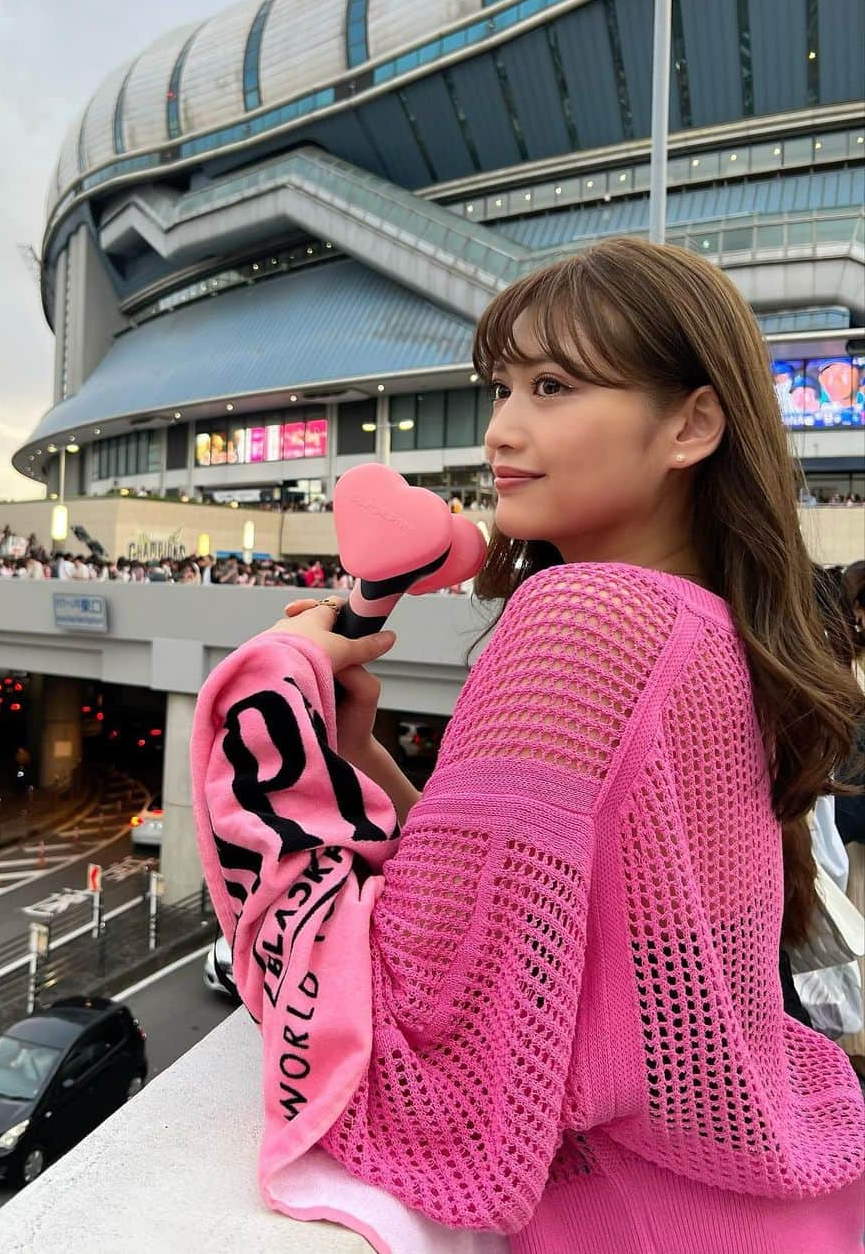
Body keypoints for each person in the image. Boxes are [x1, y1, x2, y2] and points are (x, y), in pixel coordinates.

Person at [191, 236, 864, 1252]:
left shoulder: (585, 613)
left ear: (691, 423)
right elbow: (530, 920)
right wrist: (368, 760)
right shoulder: (713, 628)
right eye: (500, 387)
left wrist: (265, 692)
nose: (502, 429)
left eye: (553, 385)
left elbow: (415, 1024)